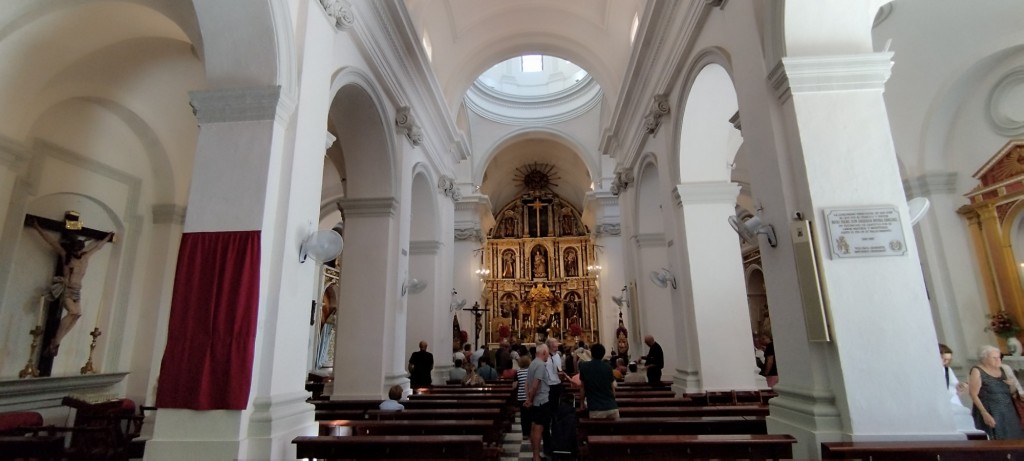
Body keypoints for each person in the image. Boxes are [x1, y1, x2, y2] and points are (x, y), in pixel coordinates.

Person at [31, 219, 114, 356]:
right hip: (67, 290)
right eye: (75, 249)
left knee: (77, 315)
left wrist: (107, 237)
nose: (77, 251)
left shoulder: (85, 257)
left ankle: (57, 341)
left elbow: (98, 247)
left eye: (79, 249)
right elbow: (50, 241)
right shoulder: (66, 257)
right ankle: (55, 341)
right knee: (73, 312)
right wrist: (37, 227)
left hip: (77, 291)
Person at [969, 345, 1024, 440]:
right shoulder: (977, 371)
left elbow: (1011, 392)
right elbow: (973, 394)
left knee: (1014, 436)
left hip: (1008, 410)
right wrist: (984, 413)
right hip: (991, 410)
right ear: (984, 358)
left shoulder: (1004, 369)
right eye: (994, 358)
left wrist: (1012, 384)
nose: (998, 360)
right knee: (996, 438)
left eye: (999, 357)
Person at [525, 344, 552, 461]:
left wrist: (528, 398)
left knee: (534, 427)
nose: (549, 356)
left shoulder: (532, 363)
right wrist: (530, 399)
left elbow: (527, 383)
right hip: (541, 401)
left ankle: (536, 455)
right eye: (548, 353)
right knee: (538, 428)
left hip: (535, 401)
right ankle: (536, 457)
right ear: (544, 353)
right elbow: (536, 385)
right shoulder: (541, 365)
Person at [578, 343, 619, 419]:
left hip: (595, 408)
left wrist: (581, 403)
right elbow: (612, 387)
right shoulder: (608, 367)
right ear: (603, 354)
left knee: (598, 430)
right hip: (612, 407)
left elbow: (582, 388)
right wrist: (613, 401)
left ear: (591, 353)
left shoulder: (584, 367)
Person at [514, 354, 533, 436]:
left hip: (521, 396)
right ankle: (531, 431)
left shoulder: (518, 372)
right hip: (531, 395)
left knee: (523, 415)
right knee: (531, 415)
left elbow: (514, 385)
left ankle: (525, 433)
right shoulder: (532, 371)